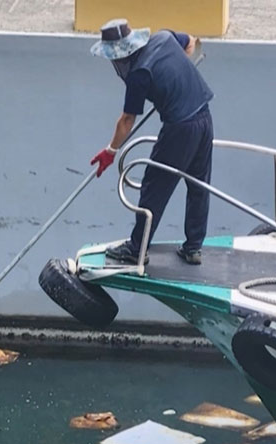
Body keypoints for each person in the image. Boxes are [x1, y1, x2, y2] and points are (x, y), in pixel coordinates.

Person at [89, 19, 213, 266]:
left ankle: (137, 249)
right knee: (198, 185)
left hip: (180, 128)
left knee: (154, 185)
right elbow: (190, 42)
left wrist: (111, 151)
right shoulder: (164, 37)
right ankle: (193, 247)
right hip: (204, 116)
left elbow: (127, 120)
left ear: (121, 55)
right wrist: (173, 77)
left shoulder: (138, 74)